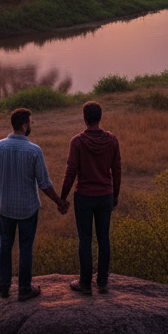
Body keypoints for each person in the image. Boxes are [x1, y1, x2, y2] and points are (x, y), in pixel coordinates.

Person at [0, 106, 68, 301]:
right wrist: (59, 202)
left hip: (5, 208)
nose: (31, 126)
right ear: (25, 126)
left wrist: (0, 197)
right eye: (31, 123)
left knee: (5, 245)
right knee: (25, 247)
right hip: (27, 209)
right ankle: (24, 288)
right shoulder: (34, 150)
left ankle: (4, 286)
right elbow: (44, 183)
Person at [60, 100, 121, 294]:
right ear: (100, 117)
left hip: (84, 197)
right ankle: (102, 282)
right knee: (104, 238)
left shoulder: (77, 141)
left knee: (85, 239)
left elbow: (71, 172)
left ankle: (85, 283)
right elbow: (117, 170)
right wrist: (115, 195)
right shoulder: (112, 140)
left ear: (84, 118)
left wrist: (62, 198)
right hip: (105, 195)